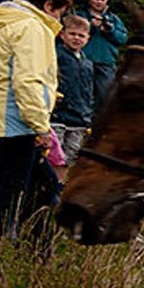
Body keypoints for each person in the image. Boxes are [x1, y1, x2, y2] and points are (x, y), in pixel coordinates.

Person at [0, 0, 71, 243]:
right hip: (17, 121)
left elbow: (3, 71)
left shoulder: (5, 22)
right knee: (9, 194)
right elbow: (27, 80)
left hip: (0, 114)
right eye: (60, 14)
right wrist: (40, 126)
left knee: (43, 185)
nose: (60, 22)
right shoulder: (31, 27)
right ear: (49, 5)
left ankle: (36, 250)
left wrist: (52, 96)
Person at [52, 13, 95, 176]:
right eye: (72, 34)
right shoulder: (56, 55)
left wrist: (88, 115)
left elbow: (89, 91)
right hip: (58, 116)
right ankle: (45, 188)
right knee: (54, 154)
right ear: (62, 34)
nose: (76, 38)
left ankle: (59, 186)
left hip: (79, 119)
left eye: (81, 35)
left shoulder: (88, 63)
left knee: (70, 156)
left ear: (87, 39)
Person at [77, 0, 128, 108]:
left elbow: (123, 39)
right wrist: (91, 26)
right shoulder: (80, 15)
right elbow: (73, 34)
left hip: (106, 63)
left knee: (105, 97)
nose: (99, 2)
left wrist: (109, 31)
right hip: (84, 61)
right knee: (83, 95)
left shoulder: (114, 19)